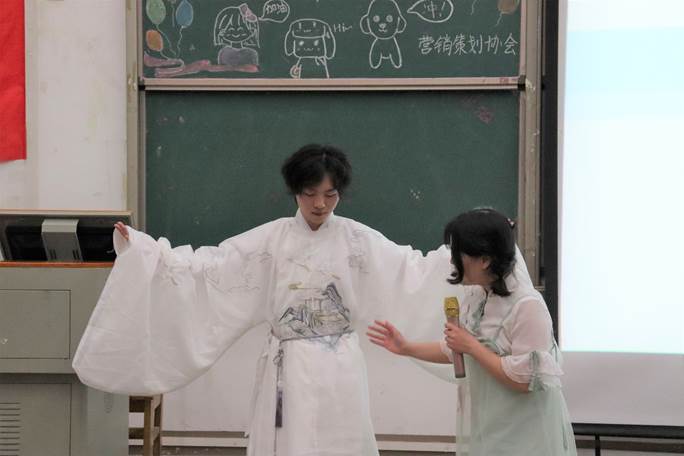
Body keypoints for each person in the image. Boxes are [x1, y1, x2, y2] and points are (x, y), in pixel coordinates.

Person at [72, 144, 455, 456]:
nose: (320, 204)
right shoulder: (272, 239)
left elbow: (413, 269)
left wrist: (463, 253)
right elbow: (209, 266)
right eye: (310, 194)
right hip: (289, 364)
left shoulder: (358, 239)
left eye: (330, 194)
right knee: (289, 440)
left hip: (340, 363)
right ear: (295, 192)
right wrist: (145, 249)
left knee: (341, 438)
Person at [367, 208, 577, 456]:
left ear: (485, 260)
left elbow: (525, 381)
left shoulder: (527, 306)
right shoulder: (478, 295)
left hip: (526, 433)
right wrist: (406, 348)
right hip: (491, 426)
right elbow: (456, 348)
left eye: (458, 253)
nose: (452, 262)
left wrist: (472, 347)